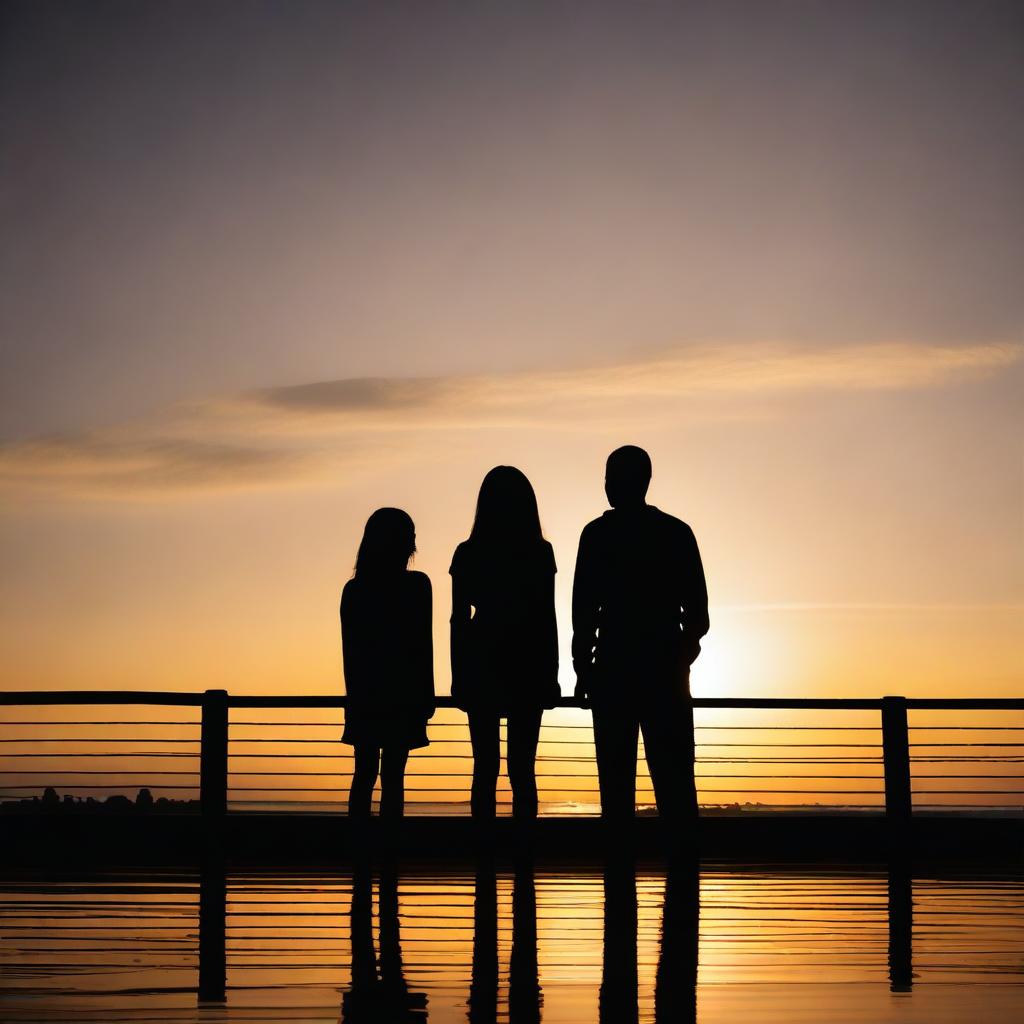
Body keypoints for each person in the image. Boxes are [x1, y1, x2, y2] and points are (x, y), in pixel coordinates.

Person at [572, 446, 708, 832]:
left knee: (615, 789)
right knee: (676, 785)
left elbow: (583, 613)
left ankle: (620, 878)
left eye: (611, 478)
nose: (608, 486)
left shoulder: (597, 536)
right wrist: (681, 655)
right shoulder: (676, 533)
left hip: (613, 671)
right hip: (665, 672)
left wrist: (584, 668)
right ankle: (683, 876)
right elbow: (699, 614)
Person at [450, 466, 560, 823]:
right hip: (528, 659)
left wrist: (458, 675)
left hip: (481, 659)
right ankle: (523, 852)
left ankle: (484, 850)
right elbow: (547, 617)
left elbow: (459, 621)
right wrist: (552, 673)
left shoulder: (468, 553)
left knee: (485, 767)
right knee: (522, 770)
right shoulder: (540, 552)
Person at [341, 508, 434, 819]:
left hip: (365, 696)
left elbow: (351, 655)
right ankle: (389, 850)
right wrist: (426, 696)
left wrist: (355, 697)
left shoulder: (354, 591)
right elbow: (423, 647)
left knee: (363, 774)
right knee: (394, 777)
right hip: (404, 697)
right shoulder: (418, 586)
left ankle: (360, 850)